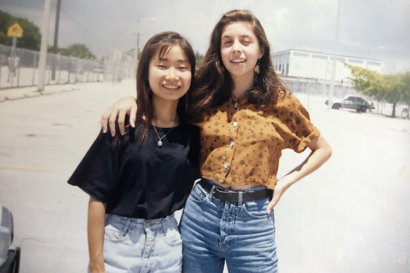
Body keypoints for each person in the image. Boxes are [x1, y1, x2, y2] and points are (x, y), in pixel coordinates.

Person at [101, 9, 332, 273]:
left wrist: (285, 183)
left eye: (245, 41)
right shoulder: (202, 93)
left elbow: (323, 149)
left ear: (261, 50)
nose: (236, 48)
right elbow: (163, 97)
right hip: (201, 214)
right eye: (228, 42)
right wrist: (130, 101)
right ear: (219, 51)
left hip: (254, 221)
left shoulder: (280, 102)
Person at [68, 32, 200, 273]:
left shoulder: (194, 132)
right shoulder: (122, 124)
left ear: (191, 74)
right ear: (146, 71)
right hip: (118, 247)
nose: (172, 76)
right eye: (162, 66)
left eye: (182, 67)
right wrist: (97, 263)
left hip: (168, 248)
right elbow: (97, 198)